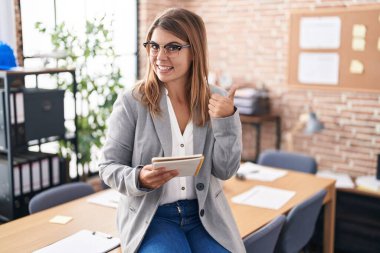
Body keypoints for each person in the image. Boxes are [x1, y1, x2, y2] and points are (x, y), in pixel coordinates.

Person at [99, 7, 245, 253]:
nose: (160, 56)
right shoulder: (132, 101)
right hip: (153, 217)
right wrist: (138, 178)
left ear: (194, 51)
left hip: (204, 215)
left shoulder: (217, 99)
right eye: (154, 46)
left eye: (173, 47)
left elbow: (225, 170)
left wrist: (226, 121)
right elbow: (107, 166)